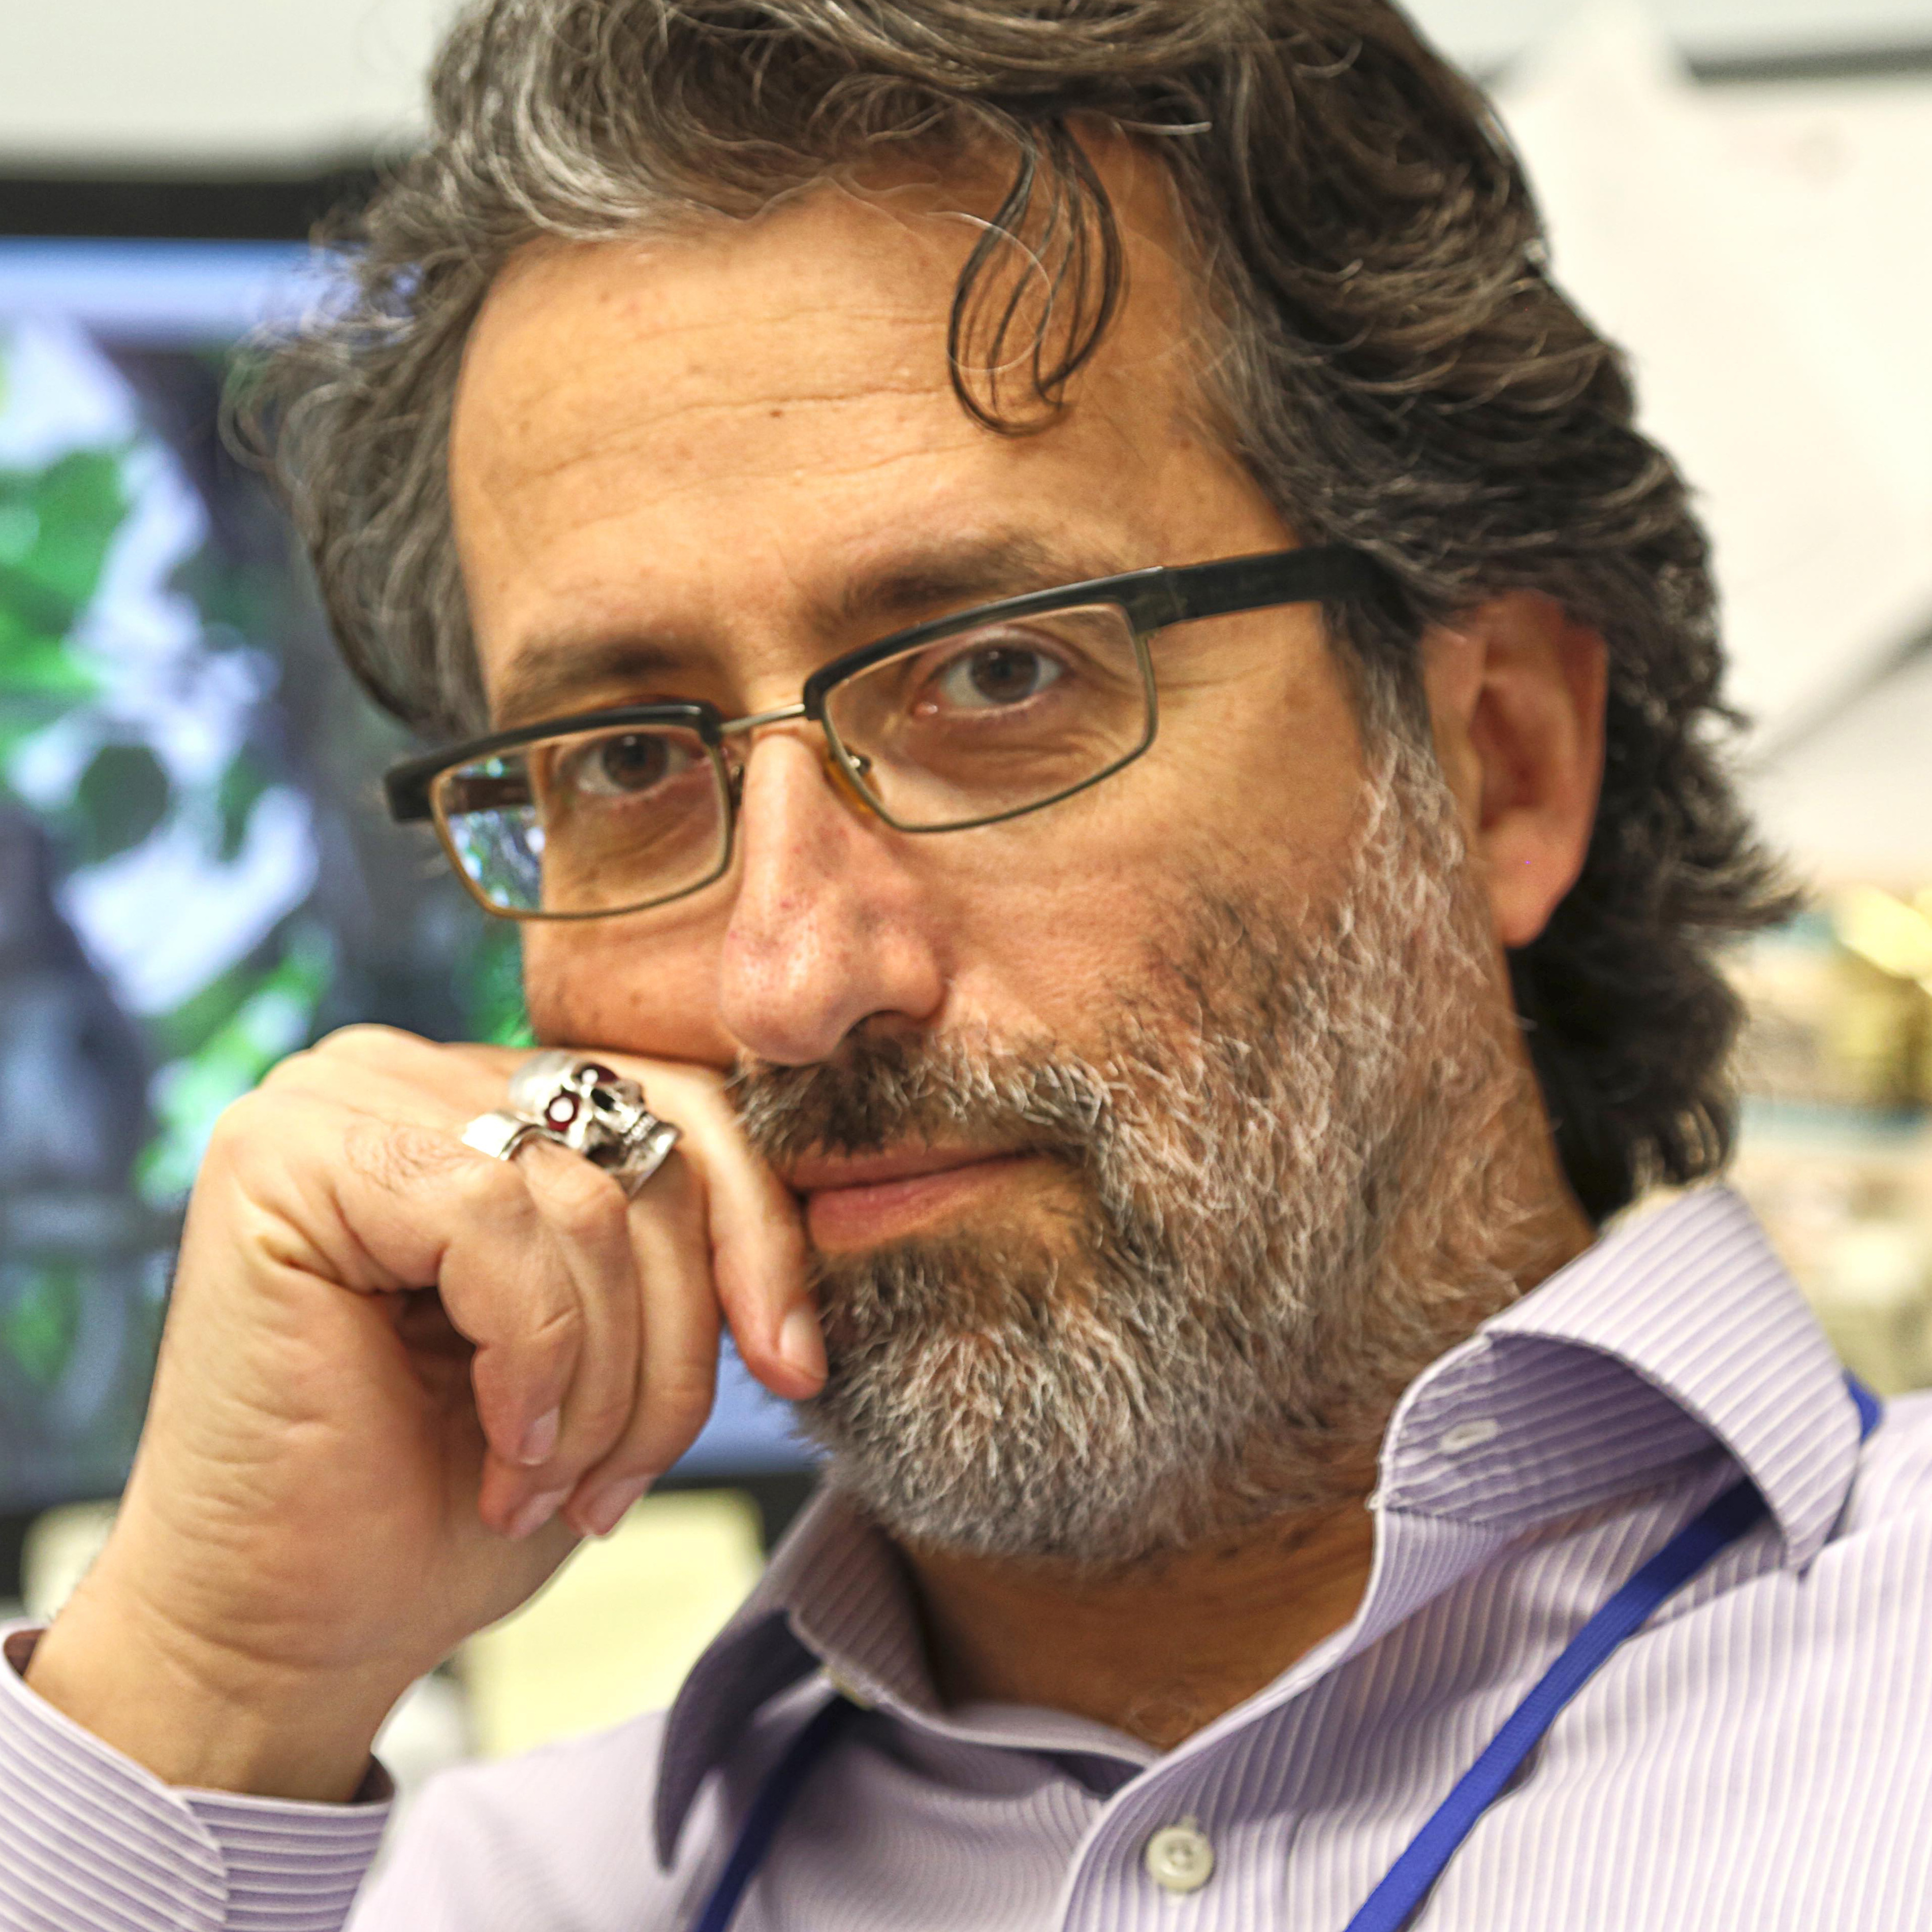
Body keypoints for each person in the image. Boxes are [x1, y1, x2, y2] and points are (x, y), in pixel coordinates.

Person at [4, 2, 1928, 1927]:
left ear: (1499, 761)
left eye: (1001, 675)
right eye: (628, 762)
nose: (787, 978)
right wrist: (211, 1683)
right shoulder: (479, 1887)